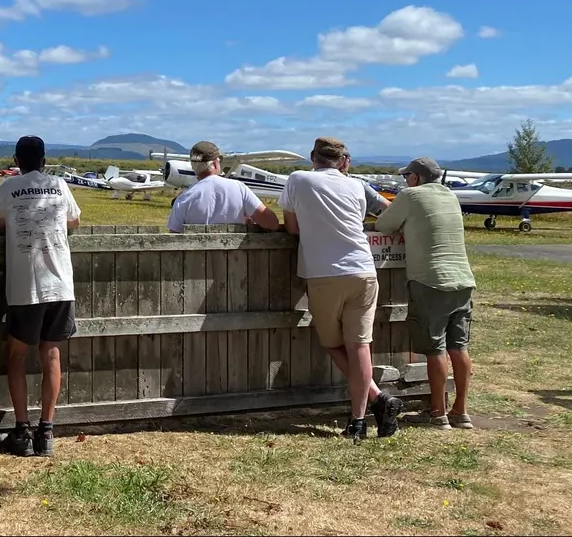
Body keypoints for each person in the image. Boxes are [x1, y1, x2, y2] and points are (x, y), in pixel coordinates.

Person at [279, 137, 404, 441]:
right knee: (360, 346)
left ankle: (378, 400)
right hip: (364, 270)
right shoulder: (358, 185)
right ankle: (362, 417)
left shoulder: (297, 180)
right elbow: (387, 212)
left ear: (313, 157)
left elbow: (292, 228)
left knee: (334, 344)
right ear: (344, 161)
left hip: (324, 274)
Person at [0, 135, 81, 457]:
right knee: (52, 355)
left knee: (17, 355)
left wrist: (11, 222)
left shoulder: (9, 188)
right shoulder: (59, 185)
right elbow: (74, 218)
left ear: (16, 161)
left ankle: (22, 429)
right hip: (61, 283)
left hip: (26, 285)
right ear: (44, 160)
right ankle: (47, 431)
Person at [372, 157, 476, 430]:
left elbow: (384, 225)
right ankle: (460, 411)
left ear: (415, 178)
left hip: (430, 281)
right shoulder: (450, 196)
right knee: (459, 347)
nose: (405, 181)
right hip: (463, 279)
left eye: (407, 176)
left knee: (434, 349)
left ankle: (437, 412)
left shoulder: (410, 195)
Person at [167, 141, 280, 232]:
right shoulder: (239, 188)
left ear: (193, 166)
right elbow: (272, 223)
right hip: (234, 259)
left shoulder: (183, 198)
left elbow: (174, 236)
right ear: (216, 163)